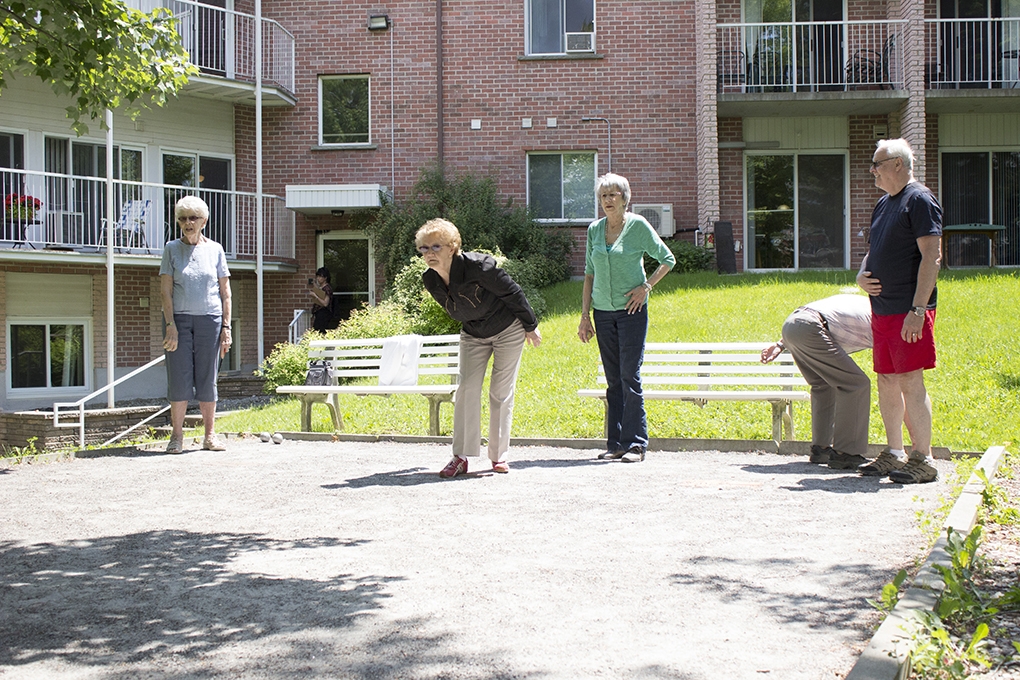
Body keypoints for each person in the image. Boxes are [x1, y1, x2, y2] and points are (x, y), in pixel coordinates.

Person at [417, 218, 542, 477]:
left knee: (500, 391)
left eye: (435, 247)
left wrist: (530, 325)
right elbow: (455, 309)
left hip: (507, 329)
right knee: (466, 389)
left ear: (452, 247)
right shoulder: (431, 280)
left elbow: (512, 293)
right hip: (473, 333)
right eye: (424, 248)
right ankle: (460, 457)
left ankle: (498, 456)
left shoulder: (479, 267)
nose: (429, 253)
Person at [856, 138, 942, 484]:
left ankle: (924, 457)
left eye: (877, 164)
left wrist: (918, 309)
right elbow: (873, 250)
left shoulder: (919, 200)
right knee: (888, 379)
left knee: (910, 379)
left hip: (910, 309)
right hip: (883, 309)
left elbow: (932, 257)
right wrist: (861, 275)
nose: (873, 171)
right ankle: (894, 453)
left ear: (898, 164)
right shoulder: (883, 204)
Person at [578, 173, 675, 463]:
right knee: (613, 379)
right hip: (603, 313)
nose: (608, 200)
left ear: (625, 197)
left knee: (629, 376)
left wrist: (645, 288)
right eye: (603, 196)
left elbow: (667, 259)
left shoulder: (638, 226)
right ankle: (616, 443)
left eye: (613, 194)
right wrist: (585, 315)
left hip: (632, 312)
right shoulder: (594, 230)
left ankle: (636, 444)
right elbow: (589, 274)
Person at [760, 294, 875, 470]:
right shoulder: (881, 315)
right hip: (811, 327)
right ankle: (846, 453)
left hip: (793, 324)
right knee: (856, 384)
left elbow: (809, 320)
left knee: (823, 384)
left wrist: (780, 344)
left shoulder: (860, 302)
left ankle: (821, 449)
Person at [160, 196, 232, 454]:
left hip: (210, 320)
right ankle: (176, 437)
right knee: (178, 378)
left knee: (207, 377)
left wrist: (226, 328)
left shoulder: (215, 249)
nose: (188, 223)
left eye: (193, 218)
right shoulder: (171, 249)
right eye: (182, 218)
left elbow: (225, 292)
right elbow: (166, 292)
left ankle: (210, 436)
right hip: (177, 321)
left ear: (204, 221)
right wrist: (170, 324)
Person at [309, 266, 334, 333]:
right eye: (317, 276)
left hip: (323, 314)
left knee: (319, 332)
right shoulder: (322, 287)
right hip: (319, 313)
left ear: (325, 278)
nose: (318, 278)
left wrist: (315, 296)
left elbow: (325, 303)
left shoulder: (327, 288)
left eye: (320, 277)